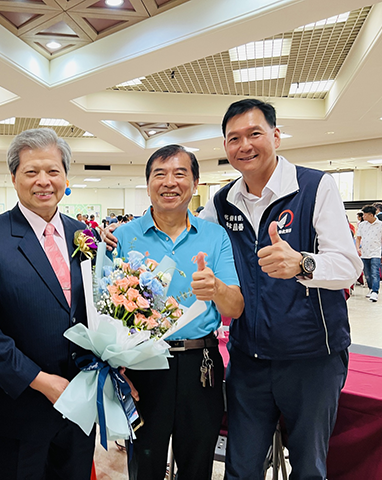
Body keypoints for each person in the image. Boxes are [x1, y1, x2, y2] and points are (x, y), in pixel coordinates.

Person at [200, 99, 362, 479]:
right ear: (225, 146)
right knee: (241, 469)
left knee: (308, 468)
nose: (244, 145)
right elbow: (190, 239)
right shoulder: (222, 202)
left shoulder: (314, 186)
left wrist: (303, 263)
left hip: (312, 357)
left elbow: (349, 266)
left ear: (275, 136)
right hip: (248, 359)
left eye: (254, 134)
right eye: (234, 138)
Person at [0, 128, 95, 480]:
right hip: (18, 407)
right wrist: (40, 380)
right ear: (13, 178)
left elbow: (97, 309)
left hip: (80, 404)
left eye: (53, 171)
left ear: (66, 177)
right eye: (31, 172)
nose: (43, 181)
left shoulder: (83, 234)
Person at [114, 145, 243, 480]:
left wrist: (216, 288)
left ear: (195, 183)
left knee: (197, 466)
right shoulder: (123, 238)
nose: (169, 182)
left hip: (199, 367)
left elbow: (235, 307)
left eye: (180, 174)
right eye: (160, 174)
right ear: (148, 184)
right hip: (142, 366)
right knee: (144, 467)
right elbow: (106, 312)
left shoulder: (215, 237)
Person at [356, 205, 382, 301]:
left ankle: (375, 291)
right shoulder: (362, 225)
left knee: (375, 272)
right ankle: (370, 289)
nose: (363, 217)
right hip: (364, 253)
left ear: (371, 215)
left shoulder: (381, 225)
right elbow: (358, 238)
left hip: (376, 253)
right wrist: (357, 248)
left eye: (365, 215)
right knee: (367, 273)